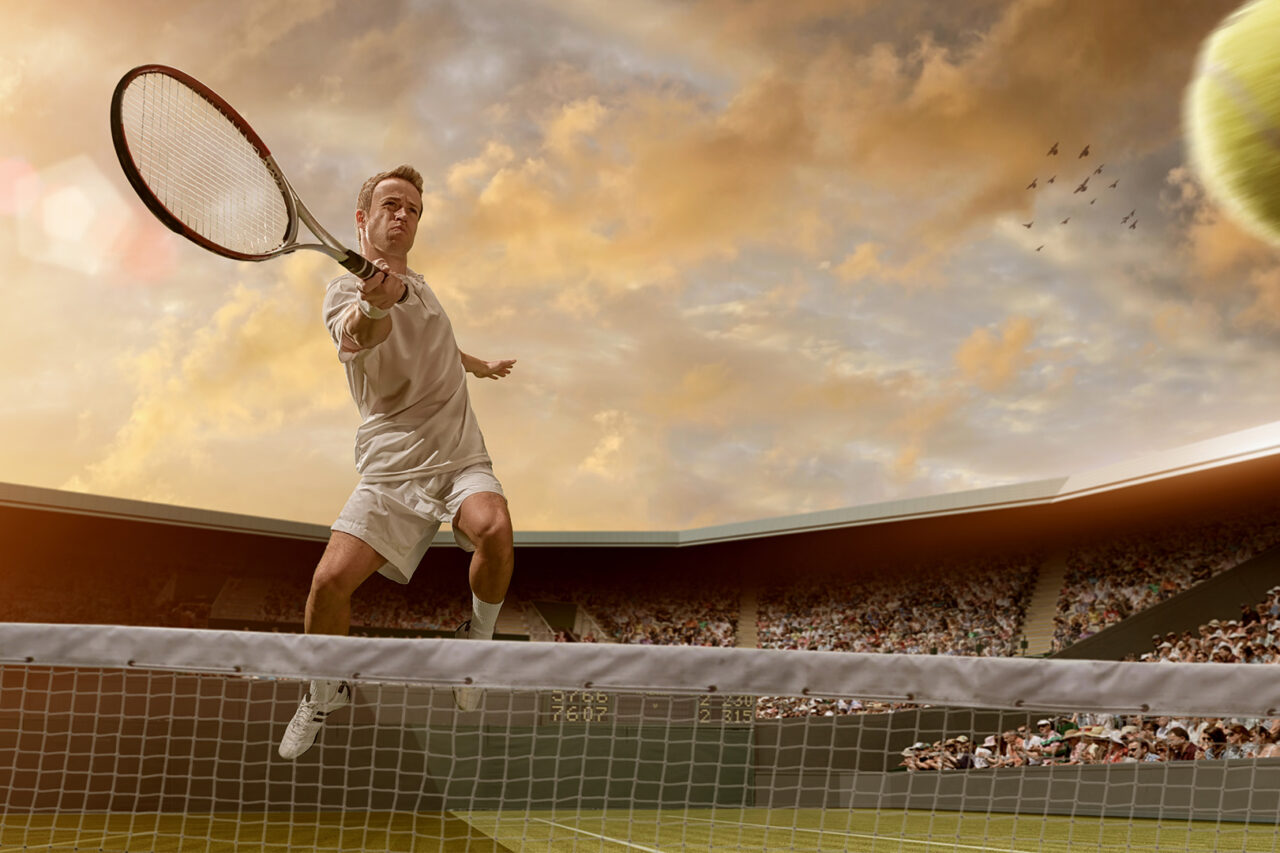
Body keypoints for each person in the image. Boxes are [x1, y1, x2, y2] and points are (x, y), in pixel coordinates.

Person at [279, 165, 516, 760]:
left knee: (494, 526)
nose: (403, 215)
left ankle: (475, 649)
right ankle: (321, 691)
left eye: (412, 208)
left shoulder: (426, 288)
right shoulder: (344, 294)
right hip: (391, 469)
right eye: (391, 204)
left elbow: (432, 339)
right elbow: (361, 336)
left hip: (459, 456)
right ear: (362, 219)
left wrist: (475, 364)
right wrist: (375, 306)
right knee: (329, 584)